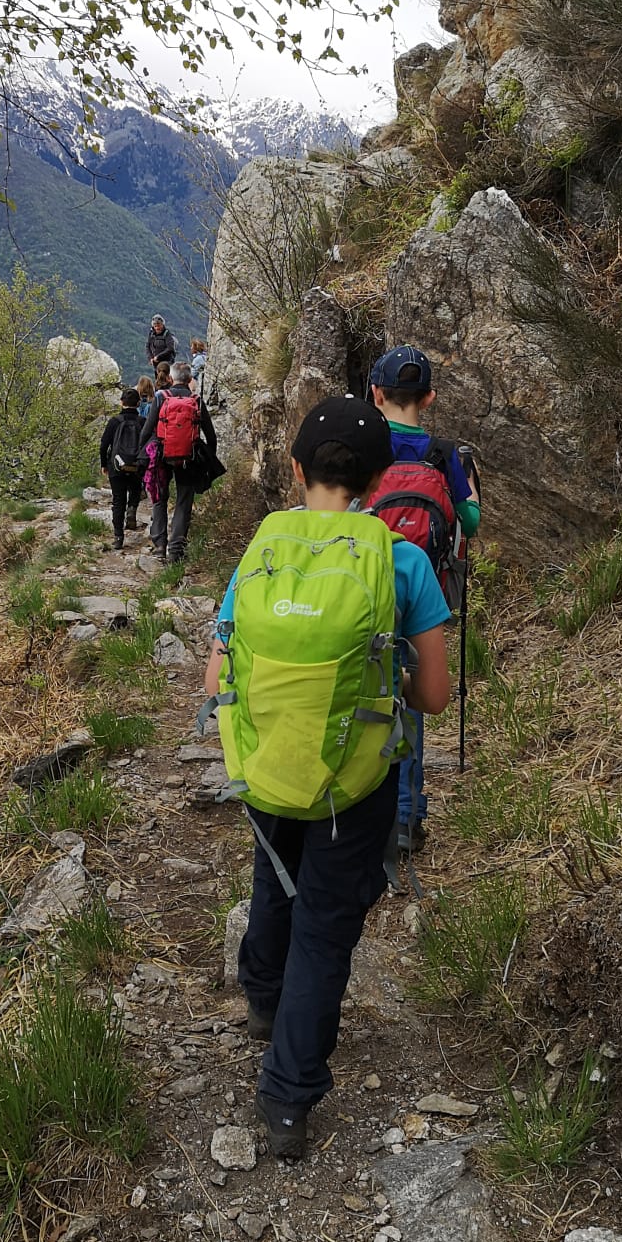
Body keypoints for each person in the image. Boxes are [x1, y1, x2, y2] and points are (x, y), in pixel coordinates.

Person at [204, 396, 451, 1158]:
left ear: (295, 469)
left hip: (267, 757)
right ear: (380, 479)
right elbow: (434, 697)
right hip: (354, 777)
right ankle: (286, 1098)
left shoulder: (263, 551)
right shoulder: (399, 560)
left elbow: (218, 673)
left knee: (273, 873)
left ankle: (261, 995)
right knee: (326, 925)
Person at [367, 345, 480, 854]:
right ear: (429, 398)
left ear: (376, 394)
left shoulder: (365, 445)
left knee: (365, 683)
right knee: (409, 691)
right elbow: (470, 522)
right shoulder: (443, 453)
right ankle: (407, 817)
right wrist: (470, 491)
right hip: (424, 587)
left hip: (363, 587)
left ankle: (360, 801)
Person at [138, 359, 216, 564]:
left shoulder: (161, 397)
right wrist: (208, 459)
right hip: (188, 457)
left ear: (171, 379)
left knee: (159, 497)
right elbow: (210, 434)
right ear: (190, 379)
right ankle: (176, 550)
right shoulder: (196, 400)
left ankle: (159, 545)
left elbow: (147, 429)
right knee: (183, 501)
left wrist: (141, 454)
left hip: (162, 455)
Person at [98, 388, 145, 551]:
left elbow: (104, 445)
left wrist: (104, 464)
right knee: (135, 489)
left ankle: (118, 537)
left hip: (117, 465)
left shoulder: (114, 421)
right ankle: (132, 508)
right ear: (138, 403)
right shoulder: (142, 421)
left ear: (121, 402)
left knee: (118, 500)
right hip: (137, 464)